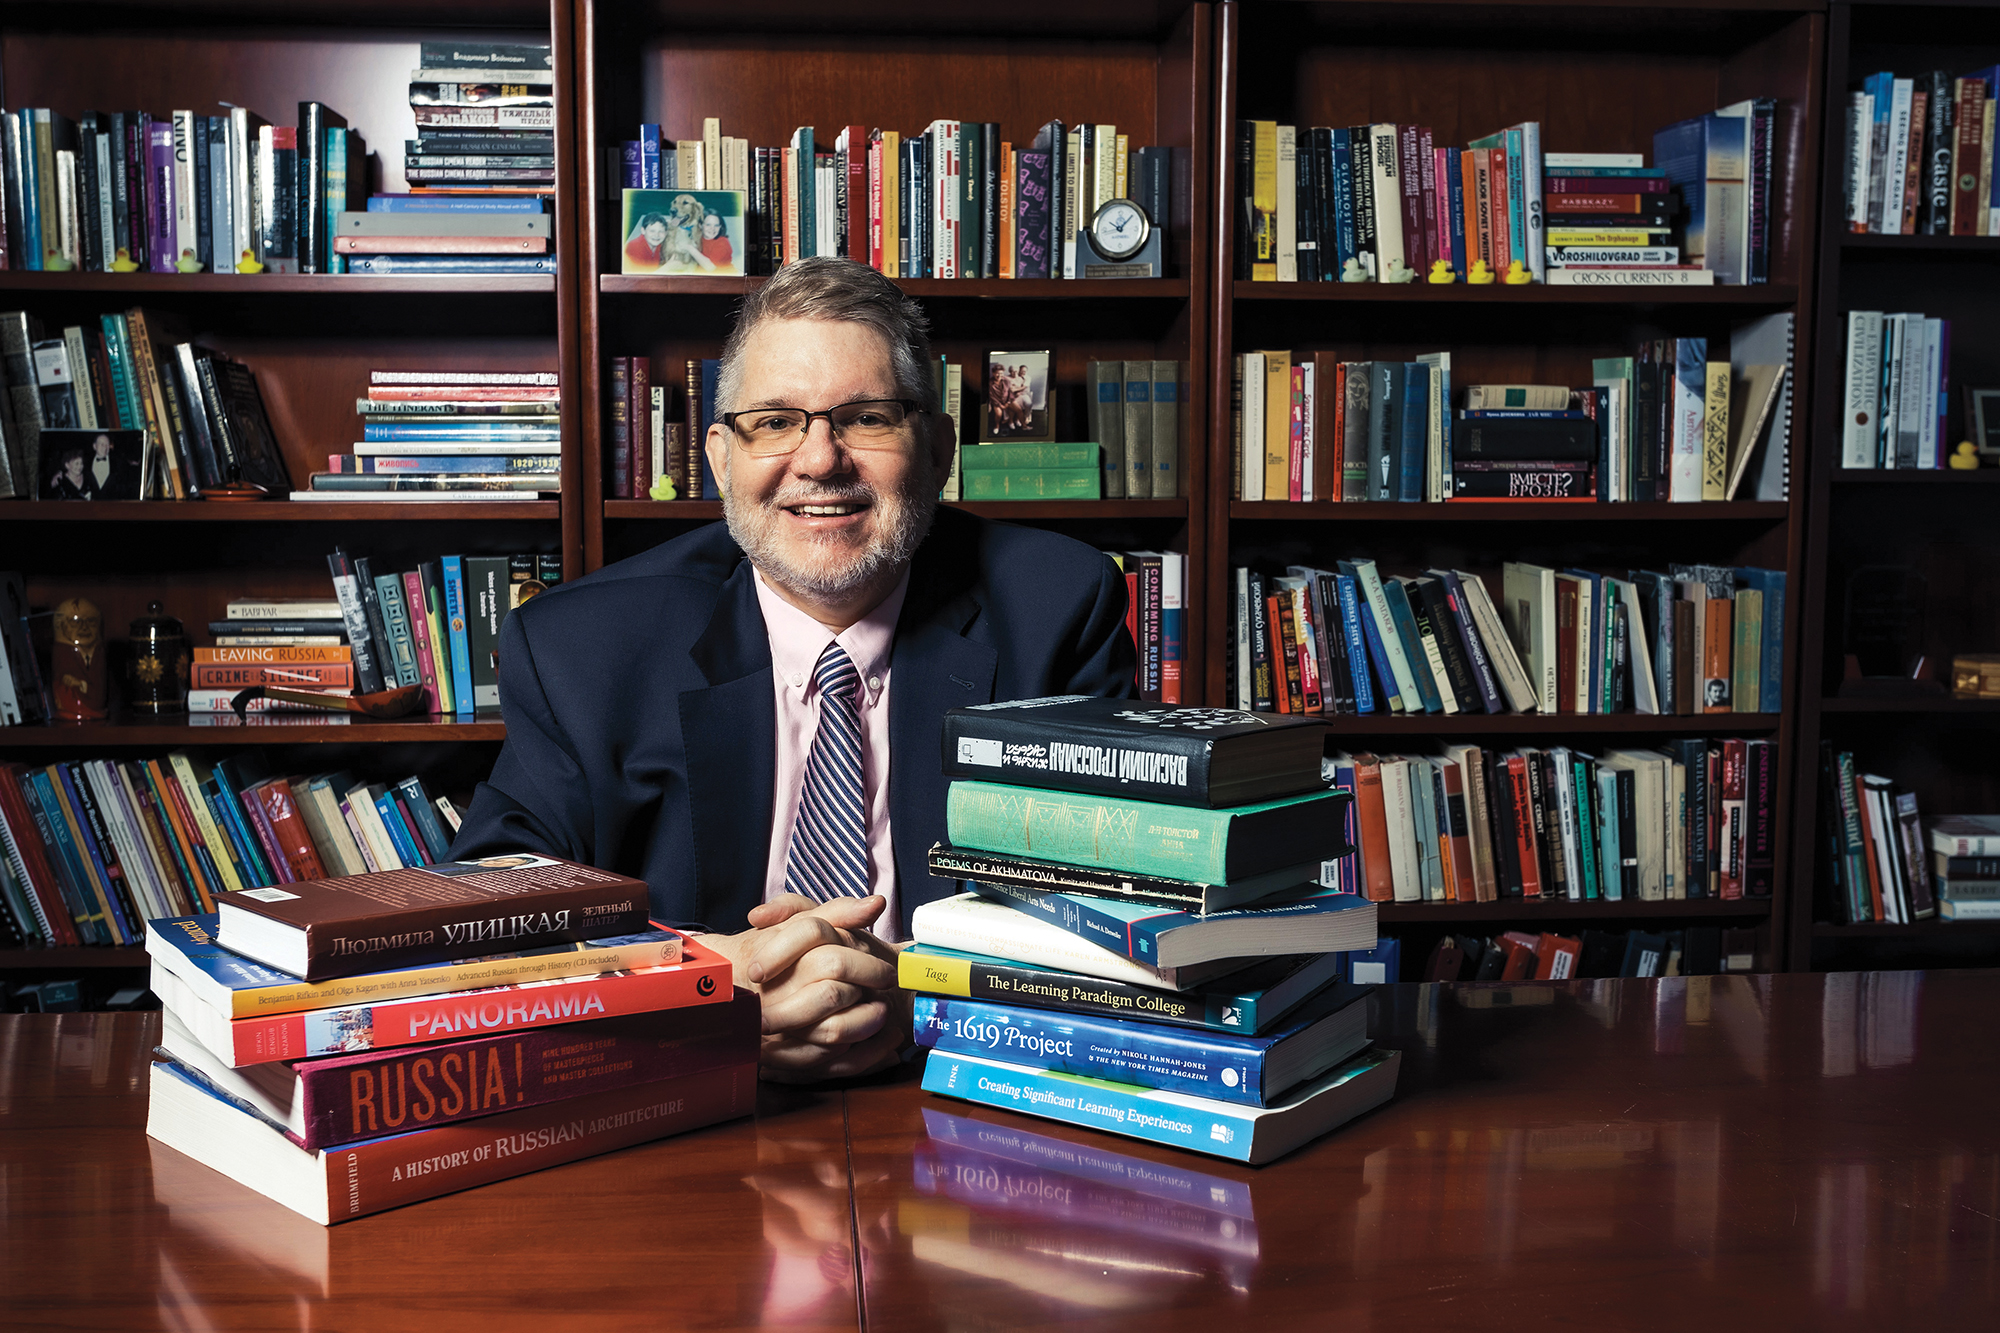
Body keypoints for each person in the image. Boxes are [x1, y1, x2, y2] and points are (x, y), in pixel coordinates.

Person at [449, 257, 1135, 1083]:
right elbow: (489, 914)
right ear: (719, 457)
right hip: (683, 1101)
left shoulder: (1058, 607)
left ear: (939, 449)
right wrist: (693, 988)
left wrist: (926, 996)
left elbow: (1115, 909)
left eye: (867, 417)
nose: (819, 460)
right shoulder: (583, 649)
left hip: (965, 1093)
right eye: (774, 421)